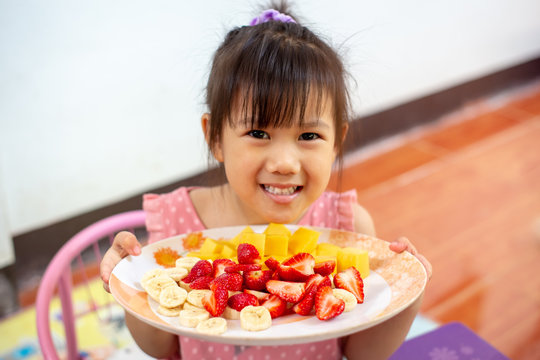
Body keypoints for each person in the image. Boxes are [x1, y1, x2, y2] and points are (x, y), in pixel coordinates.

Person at [100, 3, 432, 359]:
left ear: (336, 142)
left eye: (309, 136)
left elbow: (363, 353)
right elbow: (160, 348)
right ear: (214, 138)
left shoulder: (347, 228)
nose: (285, 163)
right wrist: (131, 284)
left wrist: (408, 293)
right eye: (258, 132)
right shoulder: (175, 232)